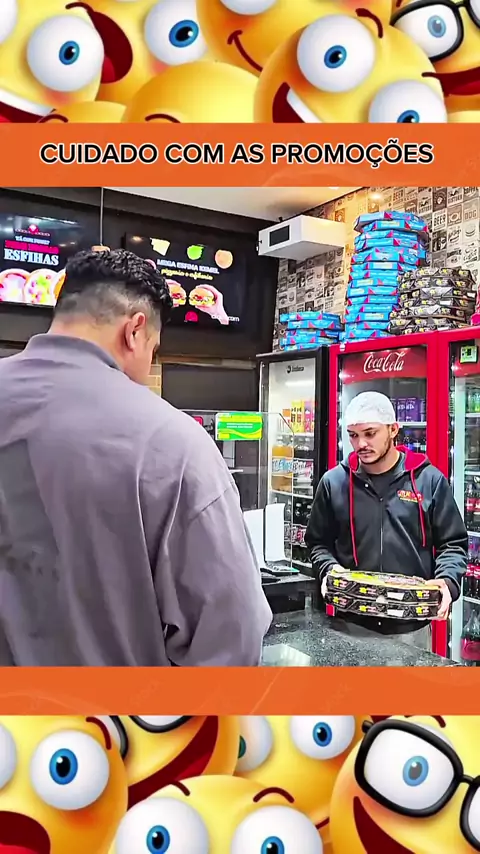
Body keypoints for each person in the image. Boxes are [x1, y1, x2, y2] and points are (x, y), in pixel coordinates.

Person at [0, 249, 272, 666]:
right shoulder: (174, 442)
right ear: (135, 330)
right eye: (154, 350)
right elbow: (232, 637)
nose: (149, 365)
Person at [305, 391, 467, 649]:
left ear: (393, 429)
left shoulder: (429, 480)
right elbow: (317, 542)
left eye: (370, 433)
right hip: (349, 624)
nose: (360, 444)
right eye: (353, 435)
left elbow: (453, 544)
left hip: (411, 628)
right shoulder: (333, 483)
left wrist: (447, 581)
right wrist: (329, 569)